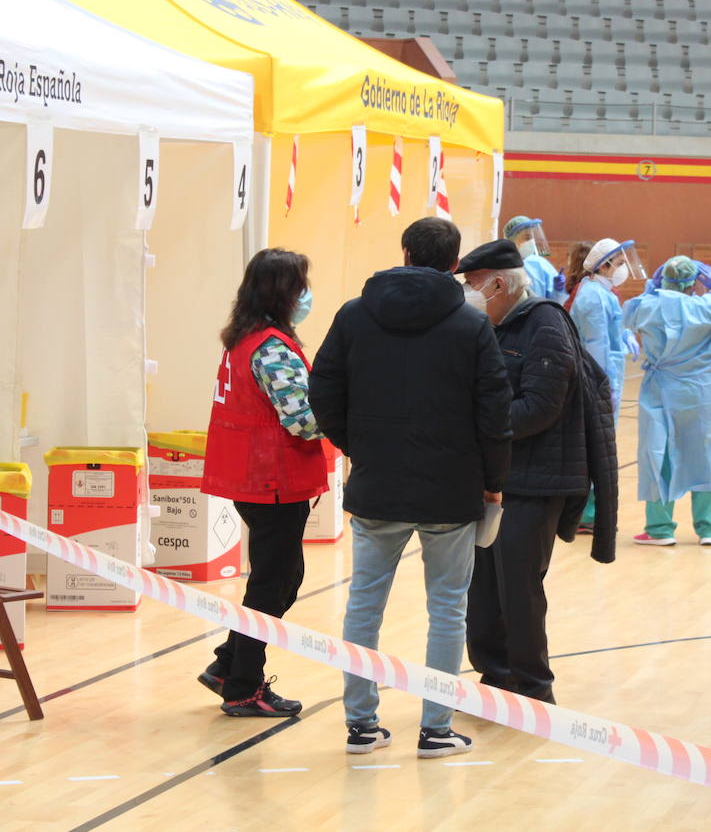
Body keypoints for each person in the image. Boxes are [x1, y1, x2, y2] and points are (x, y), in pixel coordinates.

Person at [308, 217, 513, 760]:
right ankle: (436, 728)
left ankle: (360, 725)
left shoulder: (354, 315)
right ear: (455, 264)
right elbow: (495, 415)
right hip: (452, 489)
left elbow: (323, 388)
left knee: (364, 603)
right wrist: (493, 483)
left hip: (377, 484)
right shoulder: (471, 325)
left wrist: (358, 446)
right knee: (447, 609)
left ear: (403, 253)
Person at [457, 239, 617, 705]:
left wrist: (474, 423)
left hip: (535, 482)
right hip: (494, 480)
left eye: (472, 284)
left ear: (500, 284)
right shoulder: (492, 326)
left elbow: (539, 408)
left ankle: (532, 686)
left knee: (519, 587)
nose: (468, 293)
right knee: (482, 586)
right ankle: (495, 675)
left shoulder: (545, 323)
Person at [198, 248, 329, 717]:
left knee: (284, 578)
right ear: (283, 292)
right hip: (272, 479)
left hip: (257, 478)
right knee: (272, 586)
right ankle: (243, 687)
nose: (306, 295)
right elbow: (303, 420)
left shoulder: (245, 338)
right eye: (300, 285)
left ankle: (227, 664)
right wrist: (352, 419)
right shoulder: (271, 347)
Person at [624, 255, 711, 546]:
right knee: (707, 452)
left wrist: (649, 289)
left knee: (659, 453)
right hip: (701, 390)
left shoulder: (647, 306)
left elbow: (627, 315)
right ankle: (708, 529)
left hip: (661, 388)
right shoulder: (705, 307)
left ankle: (660, 528)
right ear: (694, 282)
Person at [568, 237, 643, 529]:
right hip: (597, 380)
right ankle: (587, 513)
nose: (624, 267)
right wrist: (603, 387)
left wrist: (623, 335)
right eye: (620, 262)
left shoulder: (602, 293)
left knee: (597, 447)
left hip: (605, 378)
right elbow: (596, 346)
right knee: (595, 449)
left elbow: (610, 332)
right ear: (606, 264)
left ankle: (591, 512)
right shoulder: (593, 297)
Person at [504, 215, 565, 302]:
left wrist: (557, 290)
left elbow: (554, 303)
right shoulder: (503, 267)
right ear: (512, 240)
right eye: (527, 237)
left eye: (532, 237)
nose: (532, 241)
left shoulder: (539, 264)